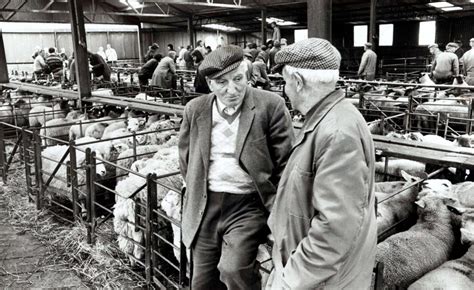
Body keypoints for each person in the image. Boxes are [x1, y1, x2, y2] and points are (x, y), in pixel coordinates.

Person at [178, 45, 294, 290]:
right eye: (222, 82)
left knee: (234, 271)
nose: (232, 89)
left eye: (238, 79)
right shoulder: (195, 109)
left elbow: (286, 161)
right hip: (205, 204)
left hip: (248, 204)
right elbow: (186, 159)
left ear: (247, 75)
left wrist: (279, 210)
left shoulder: (270, 105)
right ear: (210, 84)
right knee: (201, 282)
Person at [267, 37, 377, 289]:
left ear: (298, 81)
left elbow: (335, 228)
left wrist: (289, 280)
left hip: (322, 281)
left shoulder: (337, 132)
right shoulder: (328, 120)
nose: (285, 89)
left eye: (285, 81)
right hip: (313, 272)